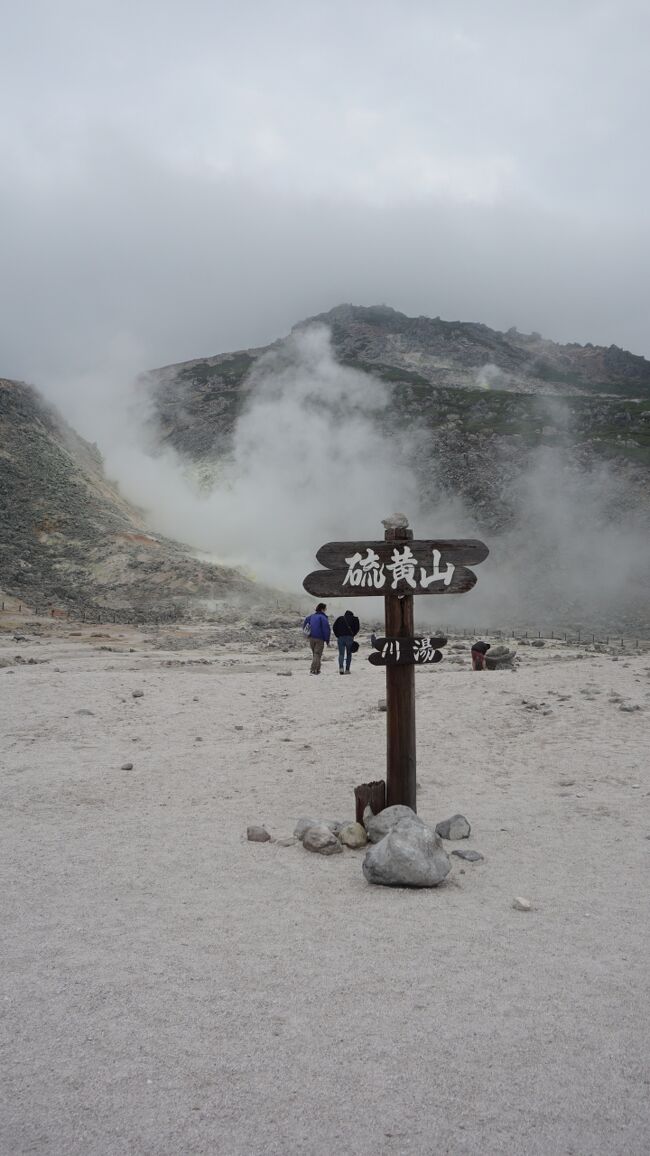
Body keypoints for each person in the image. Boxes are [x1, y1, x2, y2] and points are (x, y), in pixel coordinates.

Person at [302, 603, 331, 674]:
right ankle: (313, 669)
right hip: (319, 639)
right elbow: (326, 630)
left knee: (315, 654)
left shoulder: (311, 616)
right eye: (325, 609)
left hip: (311, 638)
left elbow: (305, 625)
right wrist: (327, 640)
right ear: (322, 609)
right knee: (317, 654)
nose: (326, 610)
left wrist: (307, 635)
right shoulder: (323, 618)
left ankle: (317, 669)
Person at [332, 609, 360, 674]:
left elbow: (334, 627)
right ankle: (347, 669)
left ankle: (341, 668)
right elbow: (357, 628)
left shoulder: (340, 618)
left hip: (340, 637)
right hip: (349, 638)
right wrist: (353, 634)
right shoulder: (354, 619)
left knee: (341, 654)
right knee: (349, 654)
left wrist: (338, 635)